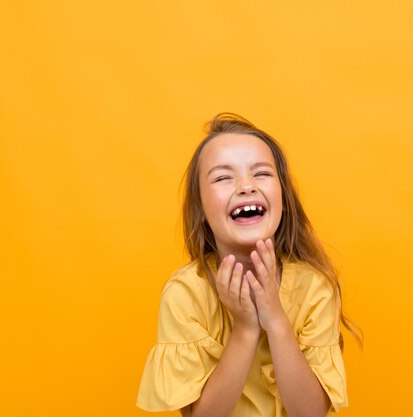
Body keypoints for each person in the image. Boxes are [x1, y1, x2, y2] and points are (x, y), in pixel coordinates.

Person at [137, 113, 357, 416]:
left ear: (283, 197)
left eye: (261, 174)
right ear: (201, 209)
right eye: (223, 177)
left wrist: (276, 318)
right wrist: (245, 328)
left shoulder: (313, 288)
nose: (245, 186)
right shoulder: (185, 294)